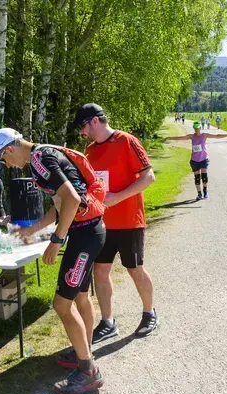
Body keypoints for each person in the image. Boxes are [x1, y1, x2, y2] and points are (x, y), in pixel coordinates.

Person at [0, 127, 106, 394]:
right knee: (82, 297)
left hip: (83, 236)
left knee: (61, 304)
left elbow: (72, 200)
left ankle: (88, 372)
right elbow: (62, 203)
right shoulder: (45, 154)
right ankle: (84, 353)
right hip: (90, 231)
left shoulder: (40, 161)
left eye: (4, 159)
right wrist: (32, 230)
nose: (7, 165)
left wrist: (56, 240)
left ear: (9, 149)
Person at [73, 103, 158, 345]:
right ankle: (108, 322)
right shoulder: (89, 151)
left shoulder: (127, 141)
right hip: (100, 223)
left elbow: (148, 177)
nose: (81, 132)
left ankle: (149, 312)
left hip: (129, 221)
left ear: (95, 121)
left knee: (134, 269)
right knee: (100, 271)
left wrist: (117, 197)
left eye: (82, 126)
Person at [163, 121, 227, 200]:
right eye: (195, 128)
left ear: (200, 128)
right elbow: (180, 138)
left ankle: (205, 191)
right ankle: (199, 194)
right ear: (194, 128)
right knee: (197, 178)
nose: (197, 130)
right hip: (194, 160)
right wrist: (168, 138)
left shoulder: (204, 135)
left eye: (198, 128)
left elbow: (217, 136)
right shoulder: (191, 136)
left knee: (204, 176)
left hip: (204, 159)